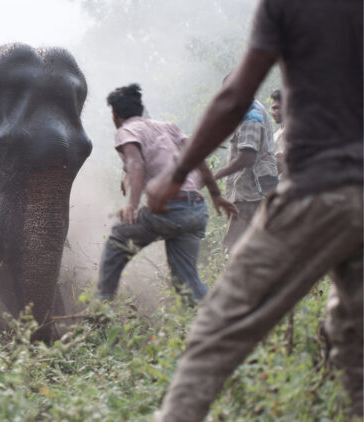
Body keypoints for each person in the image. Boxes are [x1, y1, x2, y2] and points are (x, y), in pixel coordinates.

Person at [146, 0, 362, 419]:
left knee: (218, 329)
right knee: (355, 341)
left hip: (319, 188)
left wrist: (178, 172)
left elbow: (234, 98)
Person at [97, 84, 237, 303]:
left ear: (115, 115)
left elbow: (137, 165)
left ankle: (101, 308)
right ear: (140, 109)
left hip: (169, 209)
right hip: (196, 209)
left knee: (118, 238)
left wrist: (132, 206)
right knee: (186, 284)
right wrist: (216, 195)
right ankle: (221, 324)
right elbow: (197, 157)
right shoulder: (168, 127)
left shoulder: (125, 131)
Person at [212, 85, 278, 252]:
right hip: (251, 192)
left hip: (251, 193)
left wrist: (214, 176)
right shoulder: (247, 111)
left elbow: (247, 156)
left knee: (238, 248)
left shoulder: (251, 115)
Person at [270, 88, 287, 179]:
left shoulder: (290, 133)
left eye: (277, 108)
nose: (274, 112)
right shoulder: (278, 133)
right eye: (273, 108)